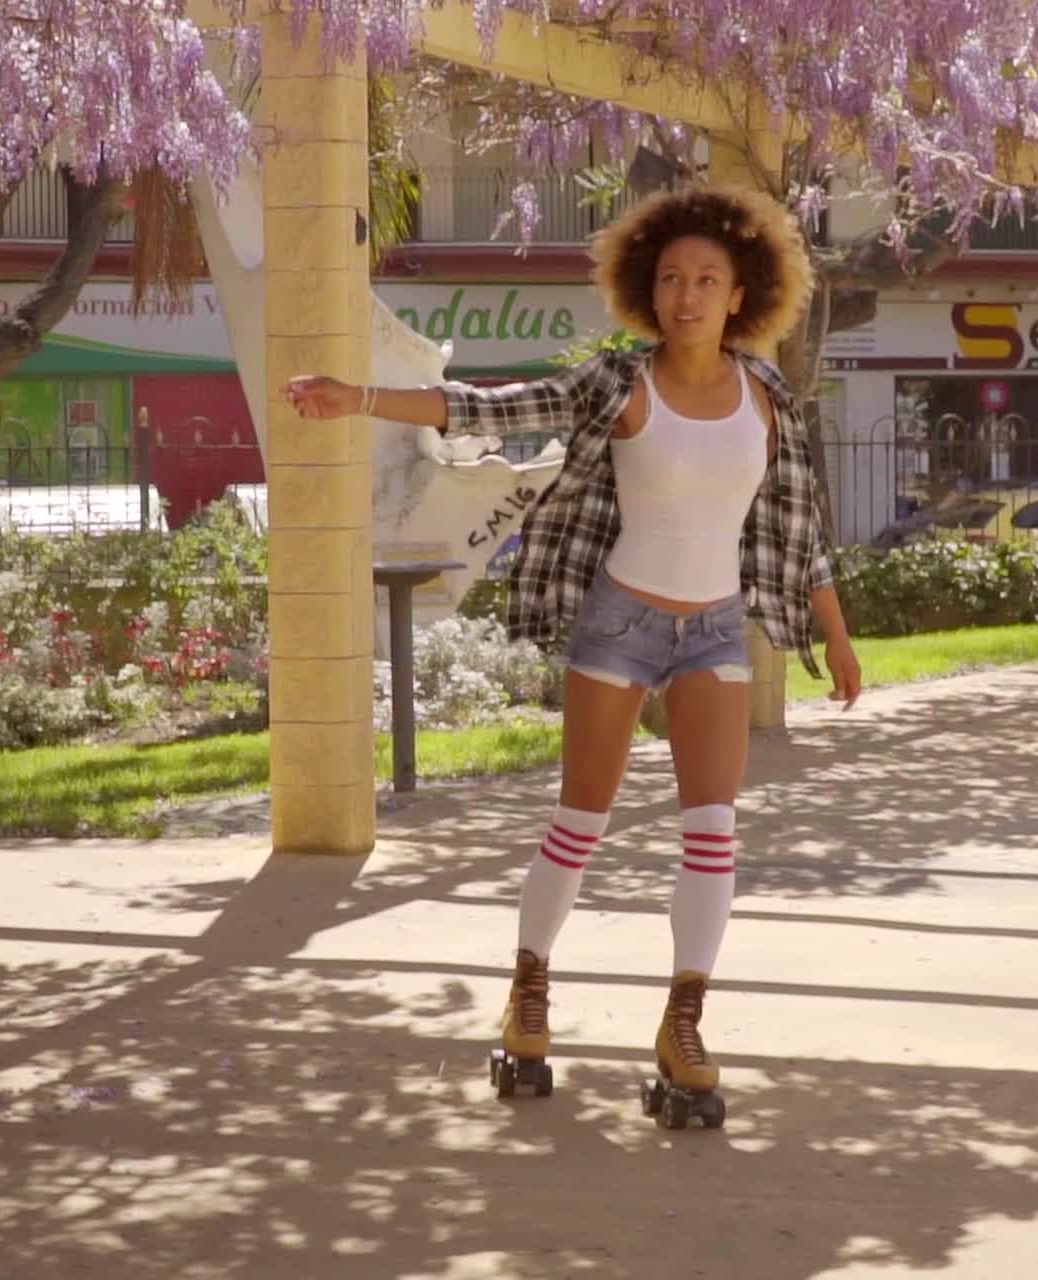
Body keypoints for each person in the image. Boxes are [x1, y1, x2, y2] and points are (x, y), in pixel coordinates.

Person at [286, 183, 863, 1099]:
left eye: (705, 280)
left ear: (740, 295)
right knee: (581, 823)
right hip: (620, 623)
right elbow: (494, 409)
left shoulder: (767, 395)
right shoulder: (619, 384)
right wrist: (356, 397)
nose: (685, 295)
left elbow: (803, 527)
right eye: (669, 278)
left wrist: (835, 635)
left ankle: (683, 1023)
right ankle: (529, 991)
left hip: (715, 629)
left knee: (713, 831)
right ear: (646, 289)